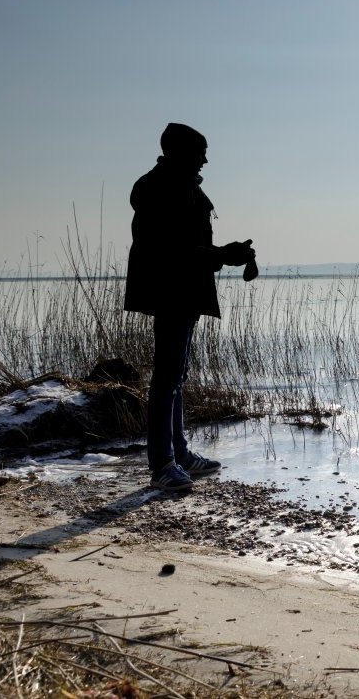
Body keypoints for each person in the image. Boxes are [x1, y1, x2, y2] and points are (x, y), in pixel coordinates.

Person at [125, 122, 256, 493]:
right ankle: (163, 464)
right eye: (200, 152)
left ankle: (178, 454)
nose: (205, 159)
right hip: (170, 291)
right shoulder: (160, 189)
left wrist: (224, 255)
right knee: (166, 377)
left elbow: (188, 247)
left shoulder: (180, 186)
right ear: (181, 153)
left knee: (176, 375)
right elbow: (170, 250)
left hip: (185, 290)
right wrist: (222, 255)